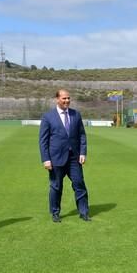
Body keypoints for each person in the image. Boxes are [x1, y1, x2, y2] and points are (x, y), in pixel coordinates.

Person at [38, 89, 90, 222]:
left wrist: (83, 152)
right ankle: (55, 213)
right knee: (56, 186)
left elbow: (82, 135)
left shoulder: (76, 115)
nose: (67, 101)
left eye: (68, 98)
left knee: (79, 184)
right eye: (64, 98)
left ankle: (83, 212)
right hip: (56, 159)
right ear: (57, 99)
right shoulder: (48, 117)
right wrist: (46, 159)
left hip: (74, 157)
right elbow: (43, 140)